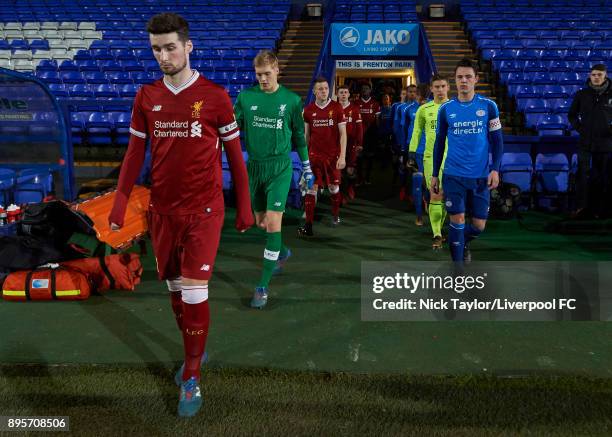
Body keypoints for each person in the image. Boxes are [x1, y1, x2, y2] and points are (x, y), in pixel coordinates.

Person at [108, 13, 253, 417]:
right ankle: (195, 350)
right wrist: (120, 201)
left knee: (192, 288)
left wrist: (243, 202)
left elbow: (235, 160)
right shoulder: (146, 96)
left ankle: (191, 374)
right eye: (156, 48)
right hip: (162, 211)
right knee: (174, 289)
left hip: (204, 210)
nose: (163, 55)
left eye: (171, 46)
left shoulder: (217, 96)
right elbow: (135, 153)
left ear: (188, 47)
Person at [233, 50, 313, 309]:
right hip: (254, 167)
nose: (263, 79)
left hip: (280, 167)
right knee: (260, 223)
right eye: (259, 75)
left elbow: (299, 136)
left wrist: (307, 166)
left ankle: (262, 287)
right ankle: (281, 251)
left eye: (267, 73)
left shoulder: (291, 100)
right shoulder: (246, 97)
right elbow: (231, 130)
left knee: (272, 223)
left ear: (277, 70)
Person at [431, 59, 503, 265]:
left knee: (479, 226)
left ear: (476, 79)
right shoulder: (446, 109)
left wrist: (495, 169)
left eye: (468, 77)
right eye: (460, 77)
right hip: (453, 175)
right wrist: (435, 174)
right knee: (458, 221)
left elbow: (497, 141)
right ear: (455, 80)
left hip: (480, 177)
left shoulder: (489, 107)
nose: (464, 80)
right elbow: (439, 144)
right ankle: (457, 271)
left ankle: (461, 242)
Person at [300, 77, 347, 235]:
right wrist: (304, 158)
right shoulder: (307, 110)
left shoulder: (337, 108)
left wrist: (342, 157)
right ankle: (308, 226)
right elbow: (306, 136)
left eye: (326, 88)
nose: (323, 91)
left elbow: (343, 134)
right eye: (320, 89)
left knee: (334, 188)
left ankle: (335, 215)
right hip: (314, 158)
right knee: (310, 189)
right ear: (314, 91)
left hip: (332, 158)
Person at [409, 75, 450, 244]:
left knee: (447, 197)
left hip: (454, 159)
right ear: (431, 89)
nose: (440, 90)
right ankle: (437, 234)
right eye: (436, 87)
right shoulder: (424, 109)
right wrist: (412, 152)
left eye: (443, 86)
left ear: (448, 87)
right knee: (436, 194)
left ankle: (438, 226)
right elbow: (417, 132)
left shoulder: (456, 108)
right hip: (430, 159)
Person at [568, 64, 612, 219]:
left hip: (606, 143)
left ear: (605, 75)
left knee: (603, 177)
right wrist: (580, 128)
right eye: (594, 74)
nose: (596, 77)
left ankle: (601, 210)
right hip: (585, 143)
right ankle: (581, 208)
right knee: (583, 176)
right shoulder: (582, 94)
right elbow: (572, 115)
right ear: (589, 76)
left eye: (599, 74)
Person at [402, 83, 429, 224]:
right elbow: (405, 129)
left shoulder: (436, 107)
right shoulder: (409, 109)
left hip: (433, 153)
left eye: (424, 96)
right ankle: (418, 214)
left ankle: (428, 202)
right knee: (417, 182)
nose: (421, 99)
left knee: (431, 185)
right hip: (416, 152)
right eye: (419, 96)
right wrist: (405, 149)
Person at [337, 84, 363, 201]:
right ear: (337, 94)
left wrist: (359, 143)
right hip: (337, 145)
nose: (343, 95)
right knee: (339, 170)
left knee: (350, 170)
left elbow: (359, 128)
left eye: (345, 92)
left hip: (351, 143)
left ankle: (350, 188)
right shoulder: (334, 108)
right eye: (341, 92)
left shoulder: (354, 109)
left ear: (348, 94)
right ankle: (341, 195)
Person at [357, 83, 381, 185]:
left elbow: (377, 120)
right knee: (359, 157)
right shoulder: (356, 103)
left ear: (370, 90)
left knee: (370, 157)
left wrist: (377, 134)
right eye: (363, 89)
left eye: (366, 88)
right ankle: (359, 178)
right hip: (359, 134)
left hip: (371, 134)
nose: (364, 90)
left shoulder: (375, 103)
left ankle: (367, 178)